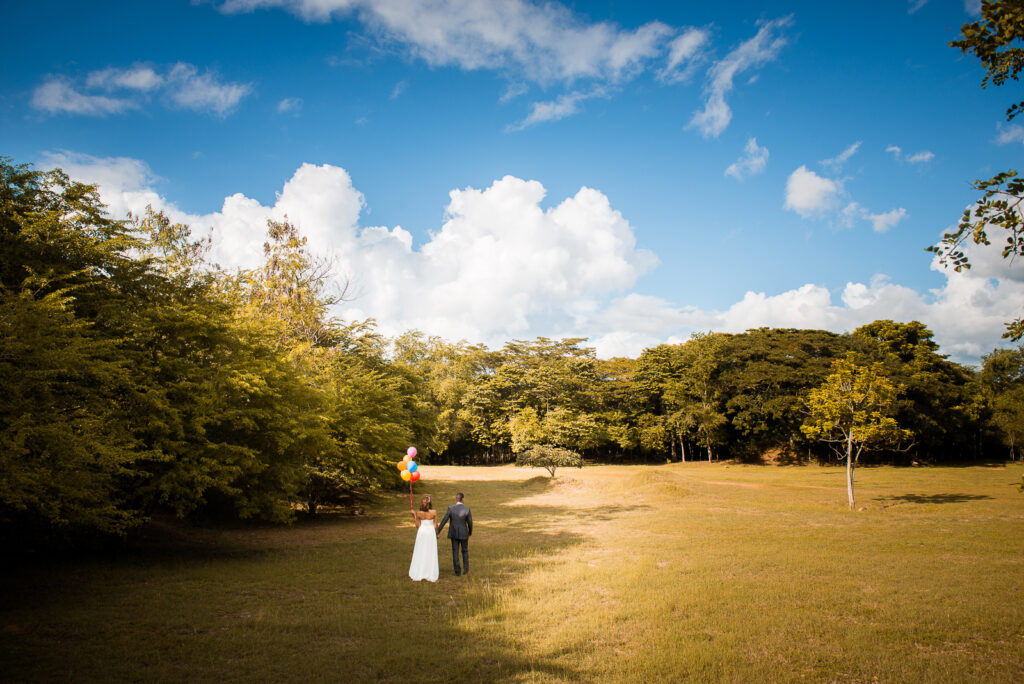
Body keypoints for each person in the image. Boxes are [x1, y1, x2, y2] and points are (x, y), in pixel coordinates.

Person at [436, 492, 472, 576]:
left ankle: (457, 571)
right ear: (462, 499)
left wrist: (438, 531)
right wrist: (470, 532)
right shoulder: (467, 509)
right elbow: (470, 522)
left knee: (455, 551)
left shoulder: (451, 508)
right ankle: (466, 570)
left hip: (454, 533)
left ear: (456, 499)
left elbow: (444, 520)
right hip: (464, 533)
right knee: (465, 551)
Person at [408, 495, 439, 582]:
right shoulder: (434, 512)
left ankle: (420, 571)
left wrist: (414, 516)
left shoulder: (418, 513)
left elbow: (418, 526)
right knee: (430, 551)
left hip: (422, 532)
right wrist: (437, 534)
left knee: (421, 550)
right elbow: (435, 525)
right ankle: (429, 571)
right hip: (430, 533)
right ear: (430, 503)